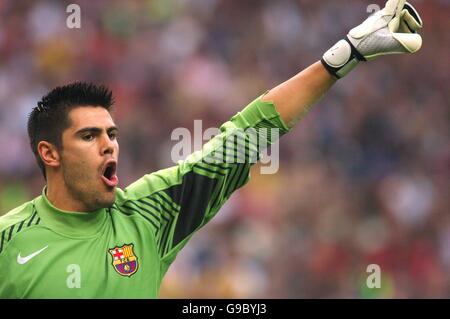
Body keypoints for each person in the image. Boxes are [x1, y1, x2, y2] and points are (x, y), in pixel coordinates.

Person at [0, 0, 423, 298]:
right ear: (49, 154)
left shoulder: (147, 217)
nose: (109, 145)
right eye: (89, 136)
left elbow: (241, 138)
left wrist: (341, 57)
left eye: (112, 134)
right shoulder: (8, 241)